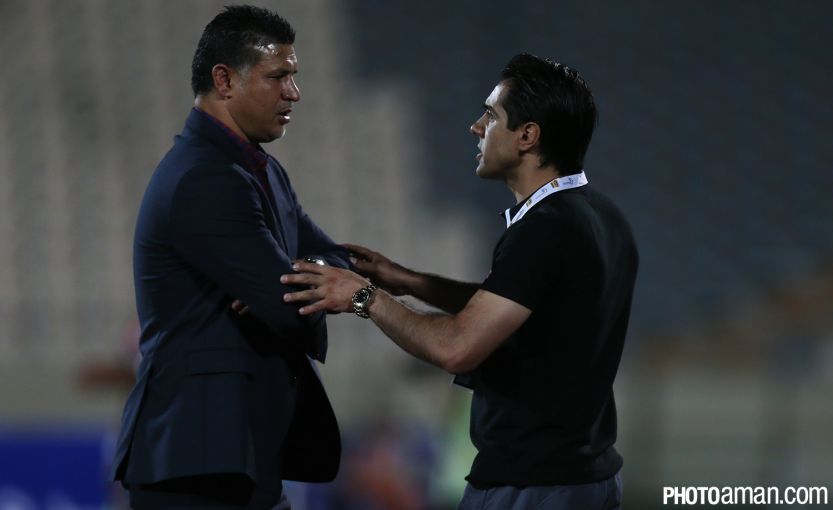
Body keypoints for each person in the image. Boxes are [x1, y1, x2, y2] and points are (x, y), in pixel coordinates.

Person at [277, 54, 638, 509]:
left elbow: (457, 348)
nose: (476, 127)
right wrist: (410, 281)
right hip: (586, 477)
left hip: (532, 486)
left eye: (491, 115)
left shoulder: (545, 229)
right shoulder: (600, 215)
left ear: (527, 136)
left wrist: (362, 296)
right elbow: (521, 307)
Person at [111, 6, 349, 509]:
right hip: (196, 462)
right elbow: (287, 309)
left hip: (238, 456)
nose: (293, 93)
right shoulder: (204, 177)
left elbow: (334, 258)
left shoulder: (263, 172)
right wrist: (295, 292)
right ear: (224, 80)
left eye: (294, 76)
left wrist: (308, 276)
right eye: (277, 76)